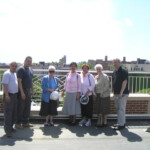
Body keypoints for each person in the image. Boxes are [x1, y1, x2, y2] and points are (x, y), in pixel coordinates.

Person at [15, 56, 34, 128]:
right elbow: (19, 81)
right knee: (21, 107)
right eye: (28, 61)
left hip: (28, 90)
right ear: (25, 61)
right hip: (22, 90)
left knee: (27, 107)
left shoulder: (30, 69)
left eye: (30, 61)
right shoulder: (21, 69)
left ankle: (26, 122)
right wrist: (22, 92)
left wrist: (32, 90)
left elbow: (31, 81)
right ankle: (18, 123)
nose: (29, 63)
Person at [2, 62, 18, 137]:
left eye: (15, 66)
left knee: (14, 113)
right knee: (8, 114)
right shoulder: (7, 74)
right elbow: (5, 85)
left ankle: (11, 127)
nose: (14, 67)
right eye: (13, 66)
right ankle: (7, 130)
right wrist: (7, 96)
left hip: (14, 95)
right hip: (9, 95)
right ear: (10, 66)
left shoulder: (14, 74)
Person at [112, 58, 129, 130]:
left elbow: (124, 82)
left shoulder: (123, 71)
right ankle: (121, 122)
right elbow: (113, 83)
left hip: (122, 93)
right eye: (113, 62)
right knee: (118, 108)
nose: (114, 64)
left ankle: (121, 124)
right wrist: (113, 92)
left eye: (115, 62)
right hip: (116, 93)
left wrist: (121, 93)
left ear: (119, 63)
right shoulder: (114, 72)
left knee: (121, 109)